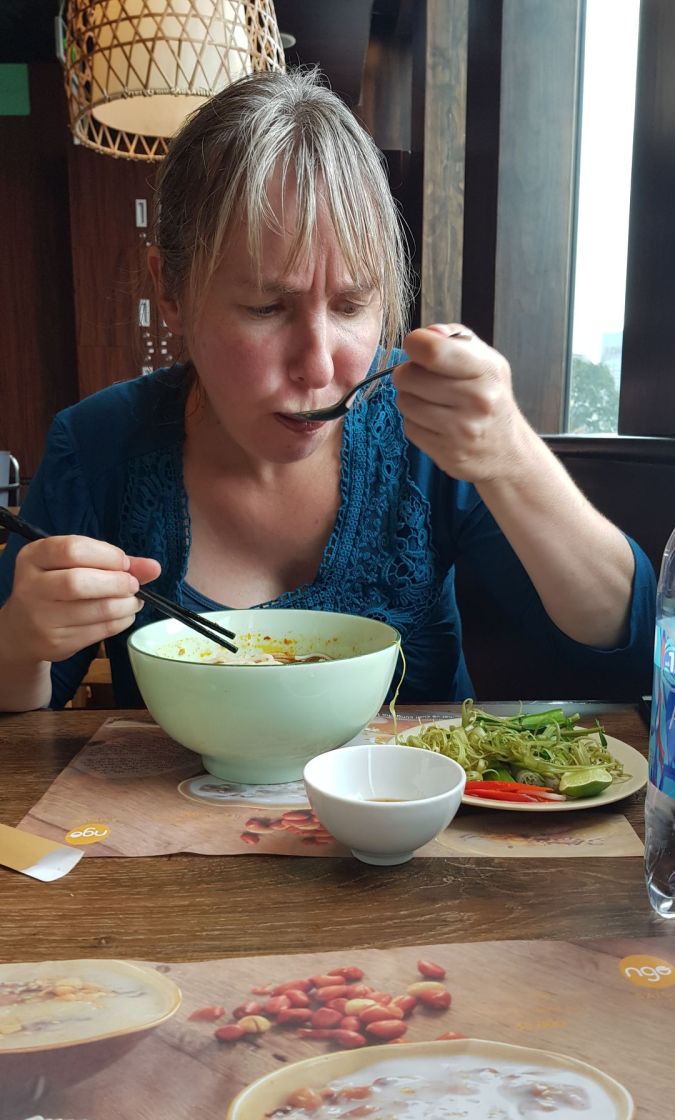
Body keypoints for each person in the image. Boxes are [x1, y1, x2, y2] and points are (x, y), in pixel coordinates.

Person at [0, 68, 655, 712]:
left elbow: (624, 650)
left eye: (350, 305)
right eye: (265, 307)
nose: (318, 367)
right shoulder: (96, 446)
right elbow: (25, 713)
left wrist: (512, 454)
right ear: (170, 292)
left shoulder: (427, 428)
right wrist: (19, 643)